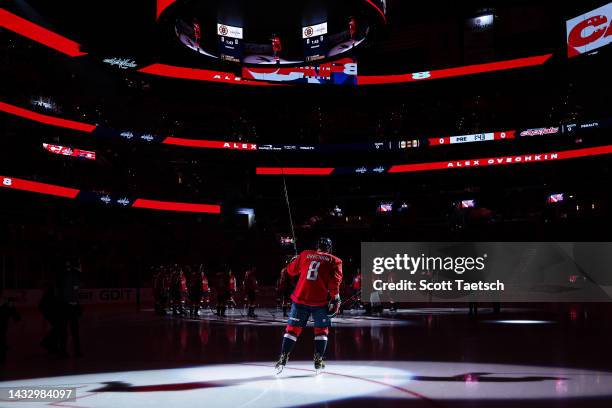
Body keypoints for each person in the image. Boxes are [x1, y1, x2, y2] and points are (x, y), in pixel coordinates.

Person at [275, 237, 343, 374]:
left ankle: (283, 357)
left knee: (292, 330)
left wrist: (294, 261)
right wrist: (336, 298)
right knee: (321, 331)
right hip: (320, 301)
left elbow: (291, 271)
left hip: (300, 298)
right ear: (329, 249)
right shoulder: (335, 260)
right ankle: (318, 359)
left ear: (317, 246)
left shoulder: (305, 254)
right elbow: (334, 283)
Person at [0, 288, 21, 364]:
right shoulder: (7, 303)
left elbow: (16, 316)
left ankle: (2, 359)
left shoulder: (7, 303)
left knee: (2, 339)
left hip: (2, 326)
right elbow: (16, 316)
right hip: (3, 326)